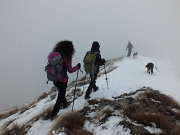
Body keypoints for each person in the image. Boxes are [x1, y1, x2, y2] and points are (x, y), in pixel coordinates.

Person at [50, 40, 81, 119]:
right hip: (62, 80)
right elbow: (70, 70)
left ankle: (65, 103)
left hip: (54, 78)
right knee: (60, 95)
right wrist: (77, 67)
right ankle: (54, 113)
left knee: (61, 92)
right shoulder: (67, 57)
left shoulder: (55, 55)